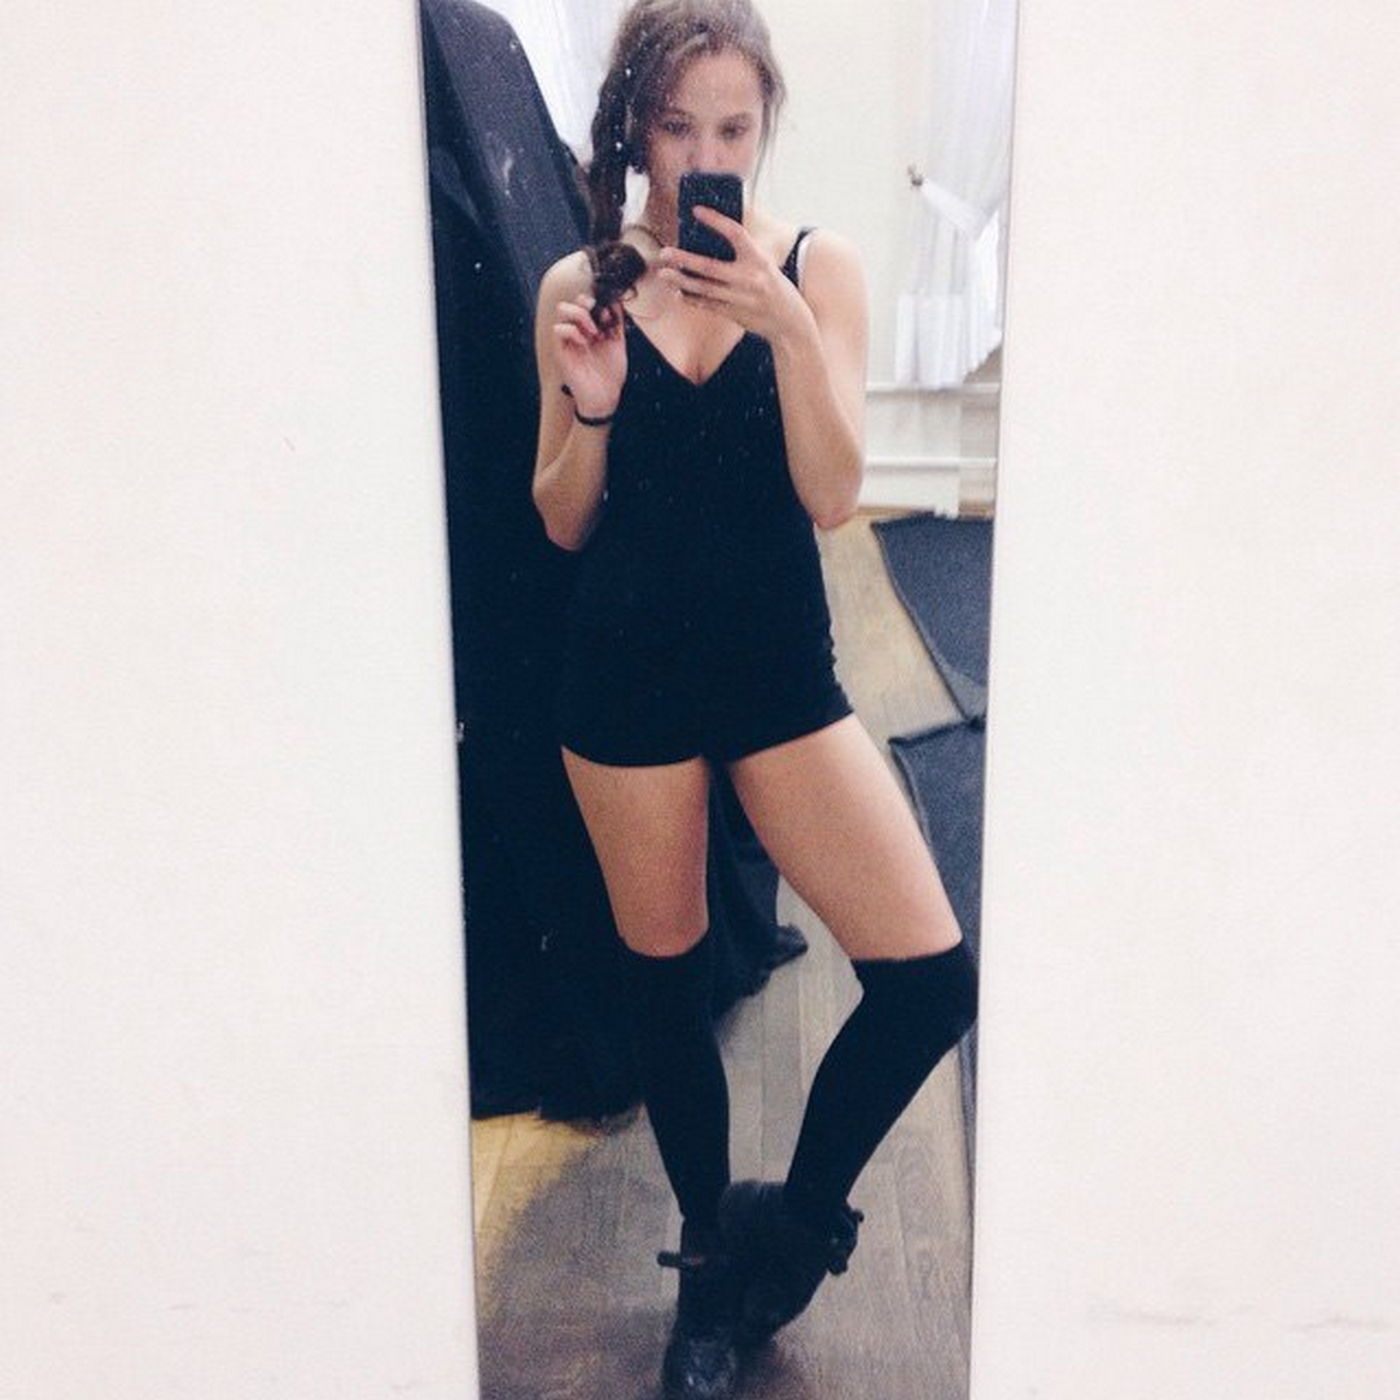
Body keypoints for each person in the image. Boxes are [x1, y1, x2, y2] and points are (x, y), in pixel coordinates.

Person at [530, 2, 978, 1396]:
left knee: (930, 978)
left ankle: (790, 1228)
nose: (705, 157)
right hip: (624, 680)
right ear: (635, 129)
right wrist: (593, 402)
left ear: (764, 123)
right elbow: (560, 518)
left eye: (732, 126)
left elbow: (834, 493)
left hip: (778, 673)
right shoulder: (582, 281)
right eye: (677, 127)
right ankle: (709, 1287)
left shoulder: (818, 270)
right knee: (666, 992)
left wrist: (784, 330)